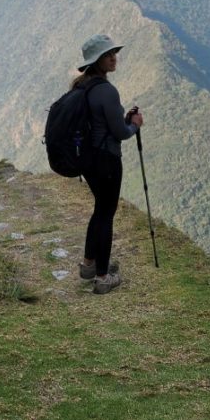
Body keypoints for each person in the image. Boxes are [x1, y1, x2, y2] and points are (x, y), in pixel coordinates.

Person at [73, 33, 143, 294]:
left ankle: (89, 264)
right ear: (97, 61)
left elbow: (104, 125)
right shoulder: (106, 91)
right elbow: (121, 133)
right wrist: (133, 125)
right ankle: (102, 277)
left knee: (99, 209)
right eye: (107, 55)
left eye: (114, 53)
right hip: (107, 161)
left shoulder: (82, 87)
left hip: (89, 160)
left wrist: (122, 121)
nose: (114, 58)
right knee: (106, 214)